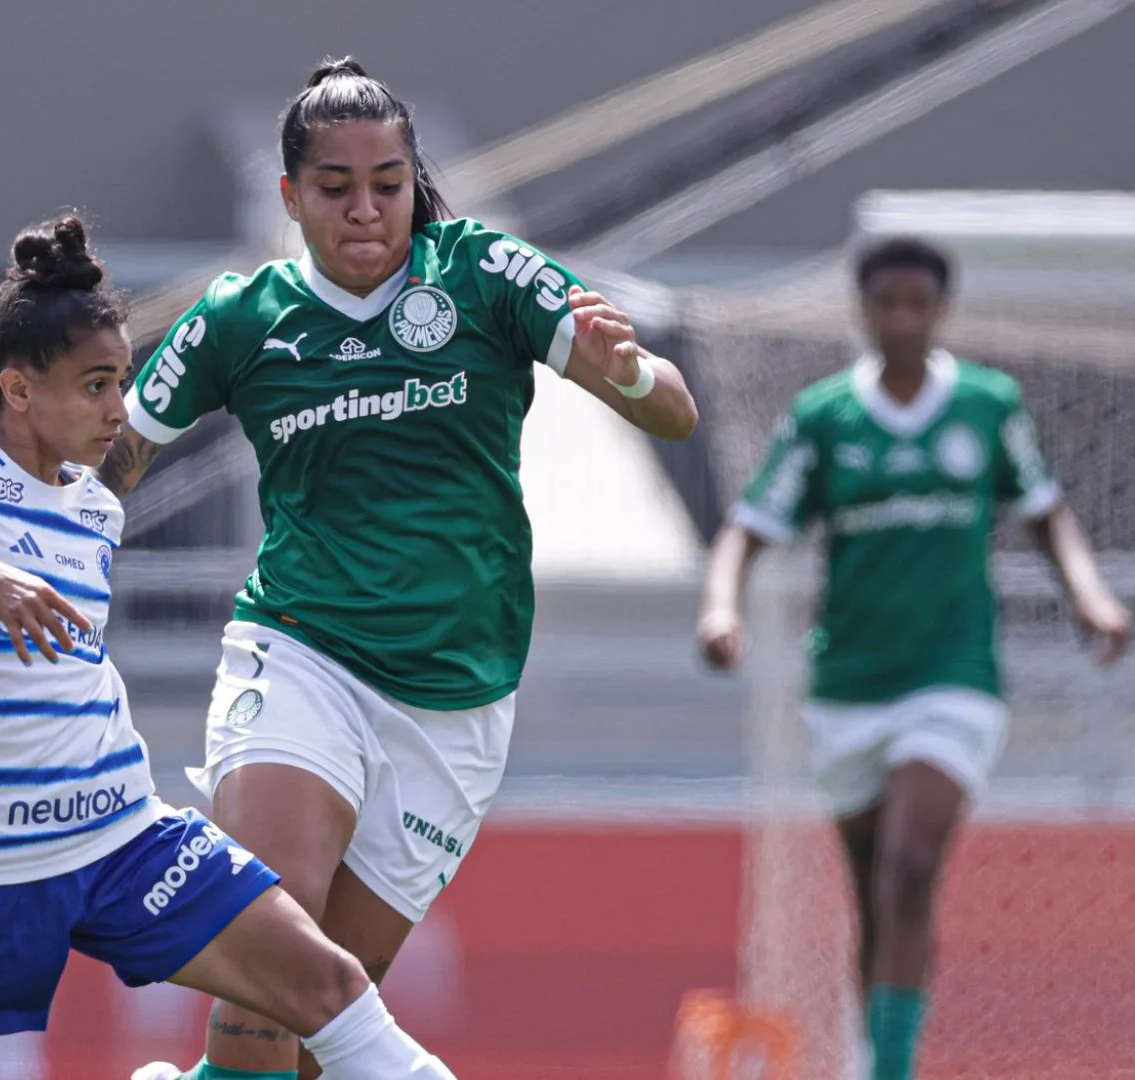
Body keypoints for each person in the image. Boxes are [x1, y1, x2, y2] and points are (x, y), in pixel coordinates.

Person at [107, 58, 701, 1080]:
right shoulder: (240, 318)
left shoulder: (485, 274)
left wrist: (633, 369)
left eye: (387, 182)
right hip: (300, 655)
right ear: (291, 196)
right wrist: (13, 529)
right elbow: (114, 457)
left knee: (313, 1026)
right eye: (335, 188)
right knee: (267, 958)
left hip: (455, 698)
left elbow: (672, 409)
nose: (366, 209)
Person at [0, 215, 461, 1080]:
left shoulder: (95, 506)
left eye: (119, 381)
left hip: (120, 832)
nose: (119, 410)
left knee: (327, 983)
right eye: (94, 386)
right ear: (17, 389)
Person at [696, 236, 1131, 1080]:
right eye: (885, 304)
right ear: (863, 312)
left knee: (910, 861)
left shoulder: (987, 404)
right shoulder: (826, 418)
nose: (901, 319)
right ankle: (875, 1057)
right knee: (878, 895)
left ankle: (891, 1071)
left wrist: (1088, 594)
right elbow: (747, 529)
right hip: (850, 685)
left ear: (939, 312)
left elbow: (1046, 512)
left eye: (917, 304)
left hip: (954, 675)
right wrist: (721, 608)